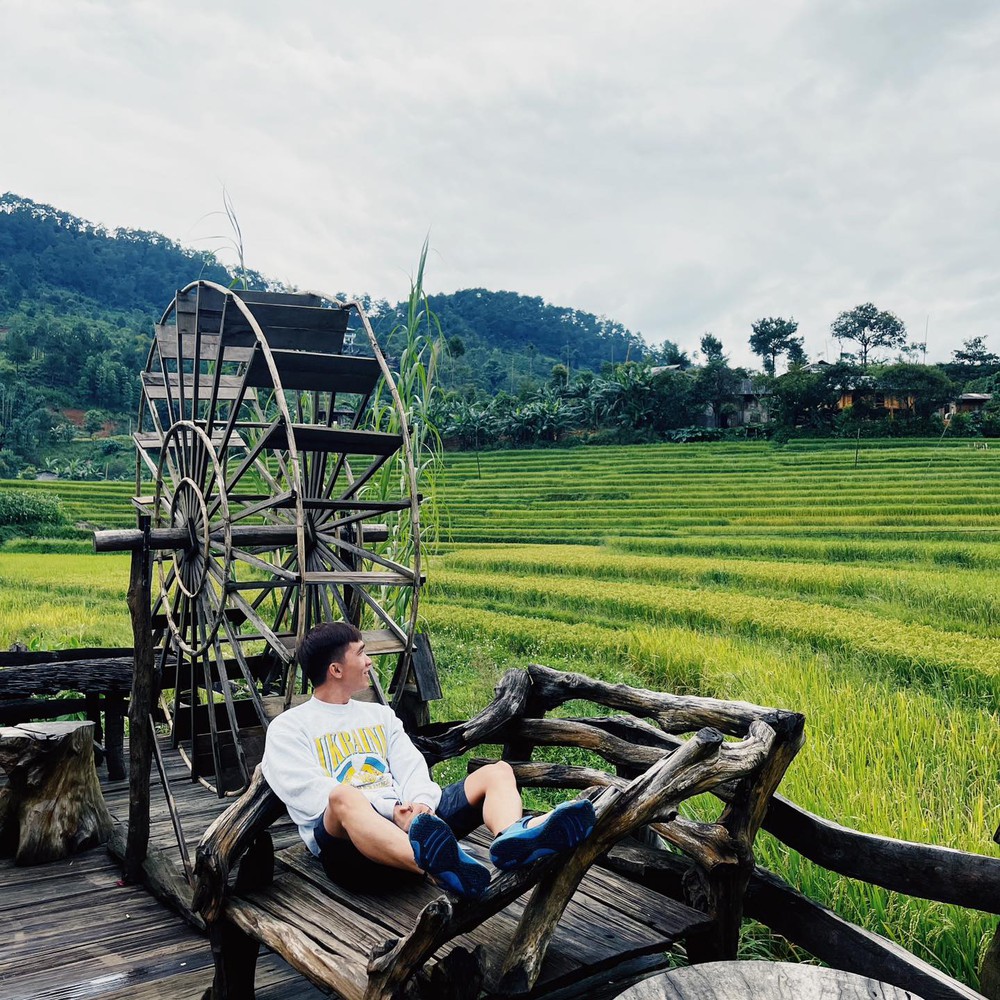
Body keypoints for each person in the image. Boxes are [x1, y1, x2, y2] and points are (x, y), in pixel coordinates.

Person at [261, 621, 595, 899]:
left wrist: (419, 804)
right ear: (335, 669)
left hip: (413, 825)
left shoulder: (379, 715)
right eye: (361, 653)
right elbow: (312, 797)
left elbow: (410, 764)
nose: (369, 661)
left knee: (498, 771)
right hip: (351, 851)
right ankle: (440, 866)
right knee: (342, 796)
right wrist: (389, 810)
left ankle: (513, 837)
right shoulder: (289, 728)